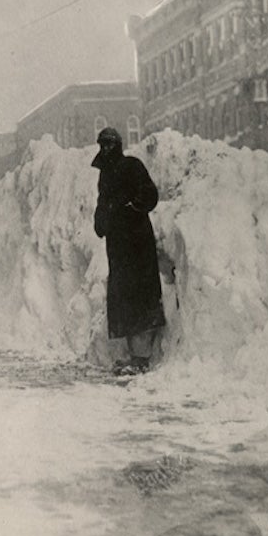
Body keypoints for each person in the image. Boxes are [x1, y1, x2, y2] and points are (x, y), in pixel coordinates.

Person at [92, 127, 165, 375]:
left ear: (119, 145)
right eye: (102, 144)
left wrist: (131, 208)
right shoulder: (105, 174)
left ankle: (142, 358)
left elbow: (150, 194)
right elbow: (103, 202)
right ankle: (135, 355)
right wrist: (101, 221)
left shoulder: (132, 166)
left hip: (137, 244)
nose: (106, 149)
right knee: (124, 298)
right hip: (118, 246)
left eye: (110, 144)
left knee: (140, 296)